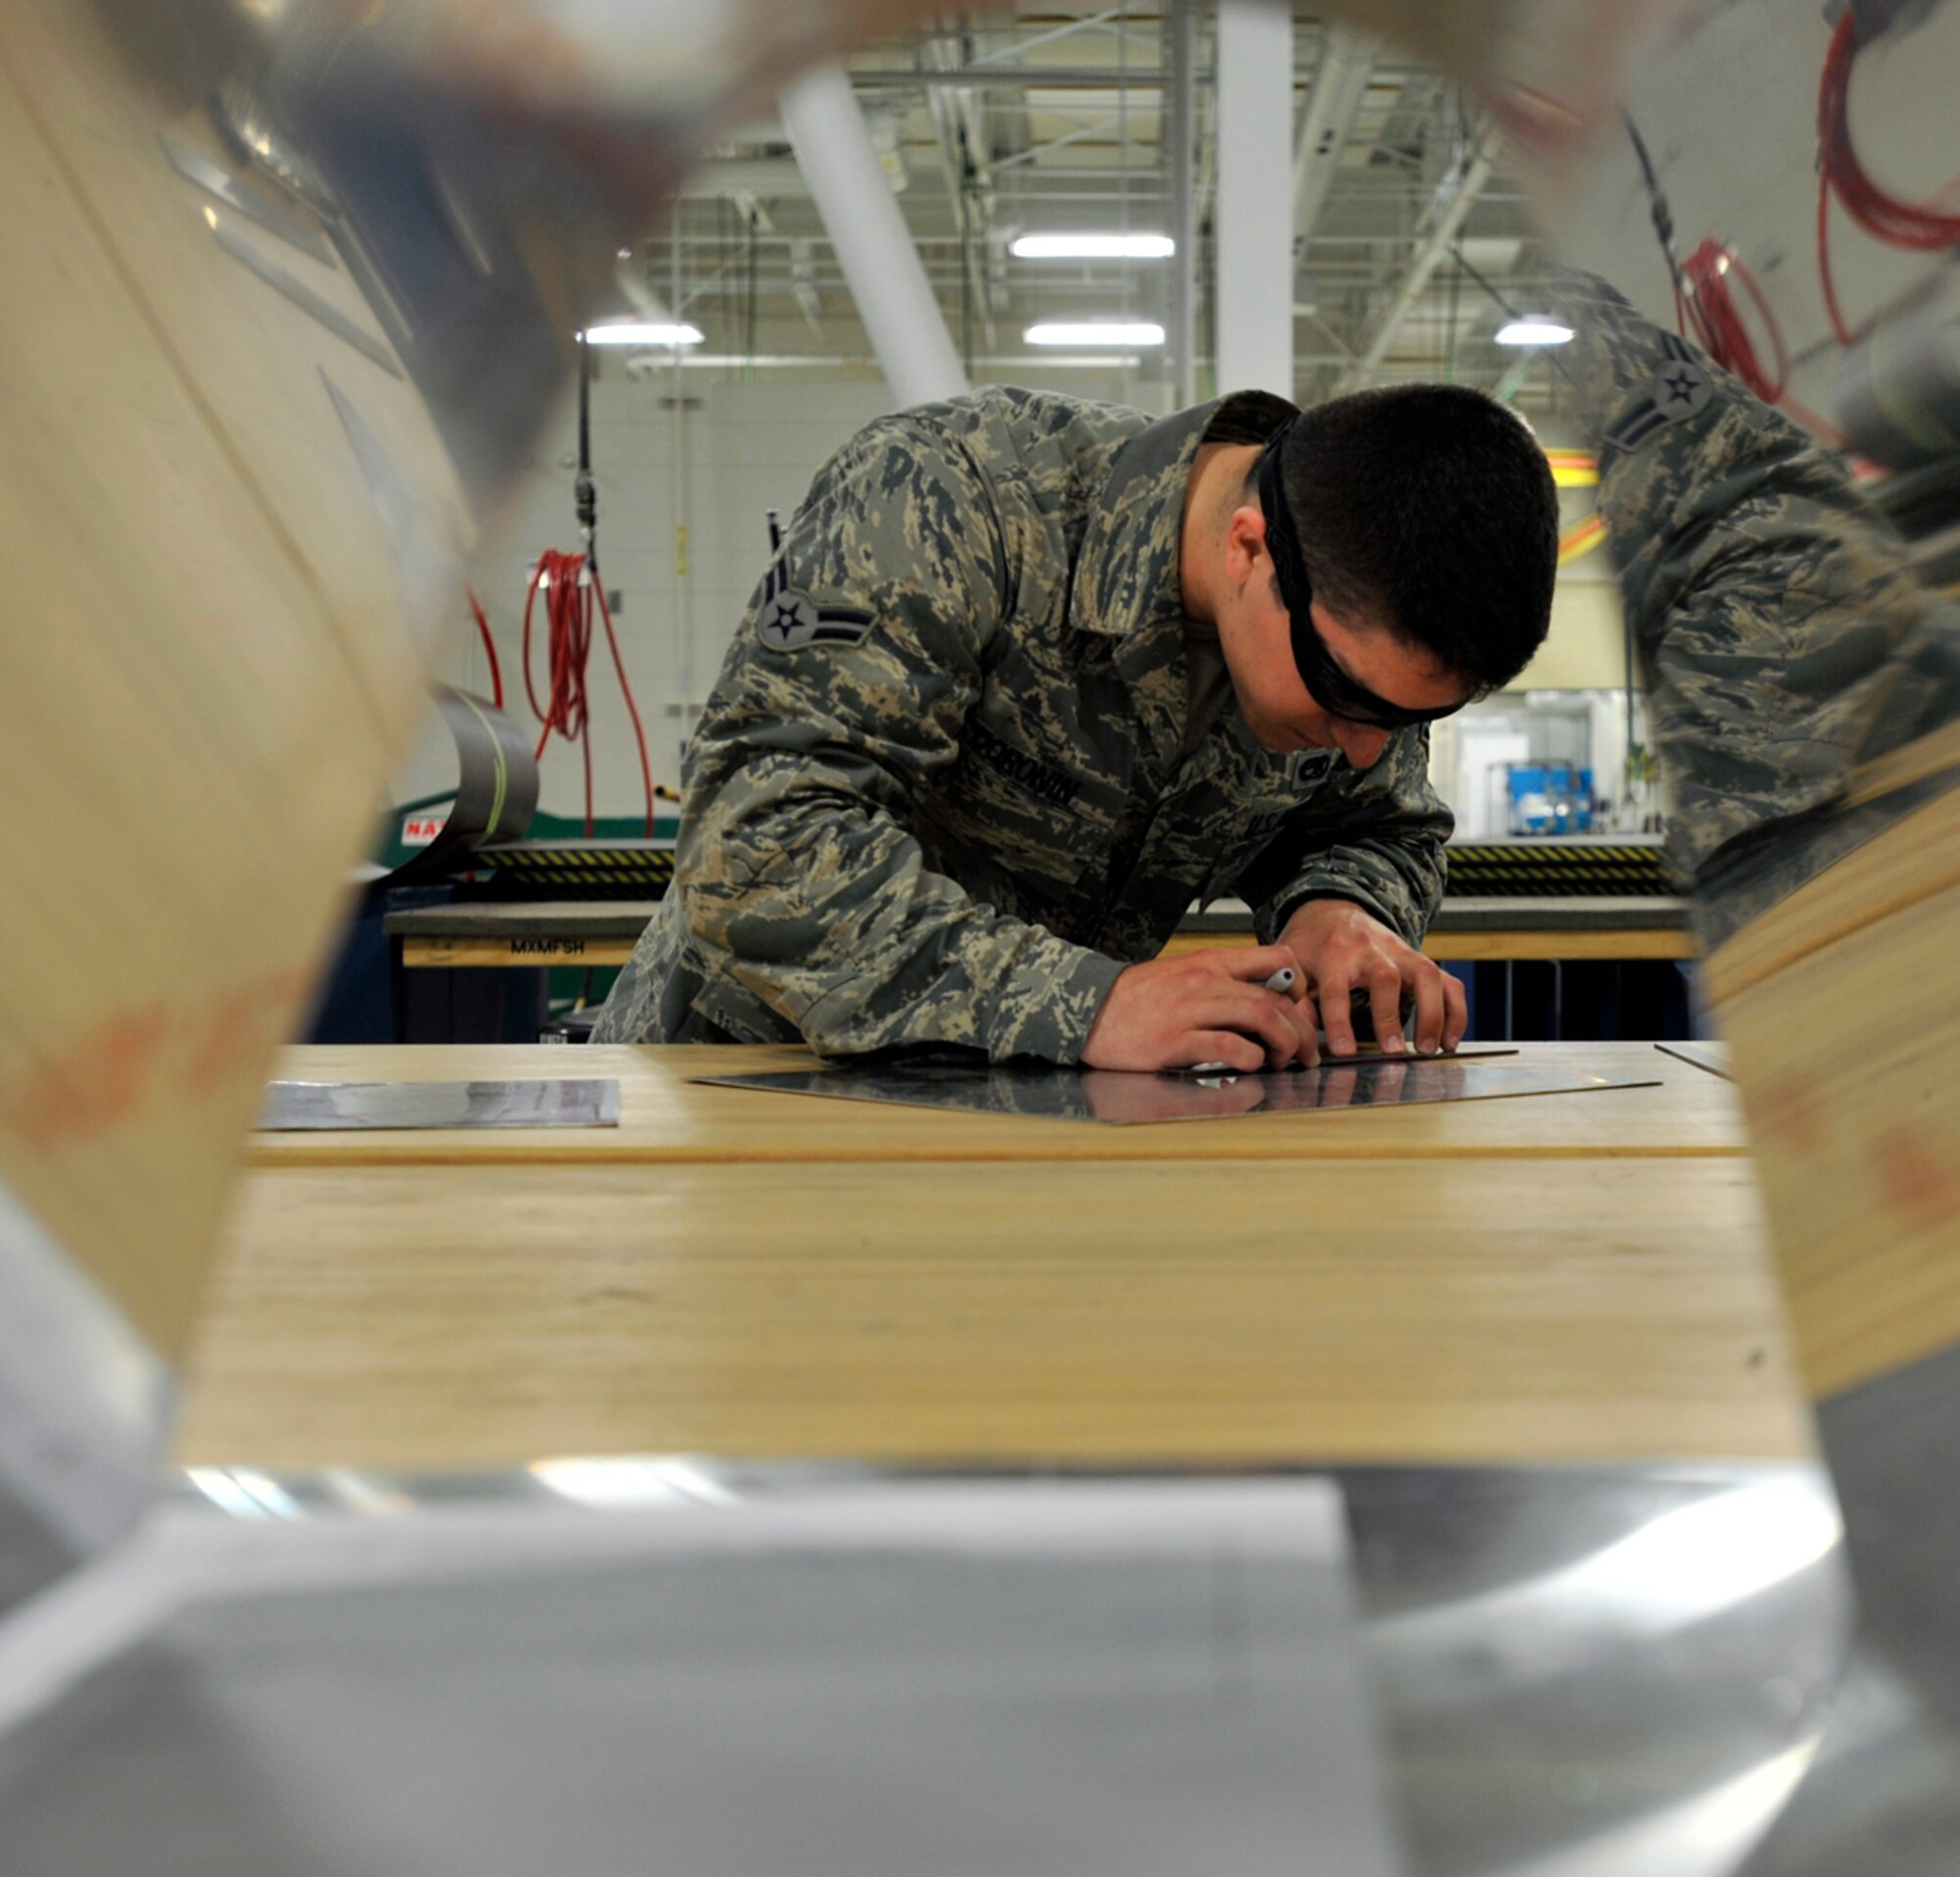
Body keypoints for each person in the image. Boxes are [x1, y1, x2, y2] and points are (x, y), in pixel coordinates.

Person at [593, 380, 1560, 1069]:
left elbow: (1377, 822)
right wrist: (1089, 1003)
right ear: (1246, 546)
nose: (1364, 748)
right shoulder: (949, 500)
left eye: (1410, 719)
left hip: (1021, 1132)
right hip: (748, 1091)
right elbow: (758, 845)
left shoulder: (1350, 616)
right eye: (1347, 700)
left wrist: (1336, 913)